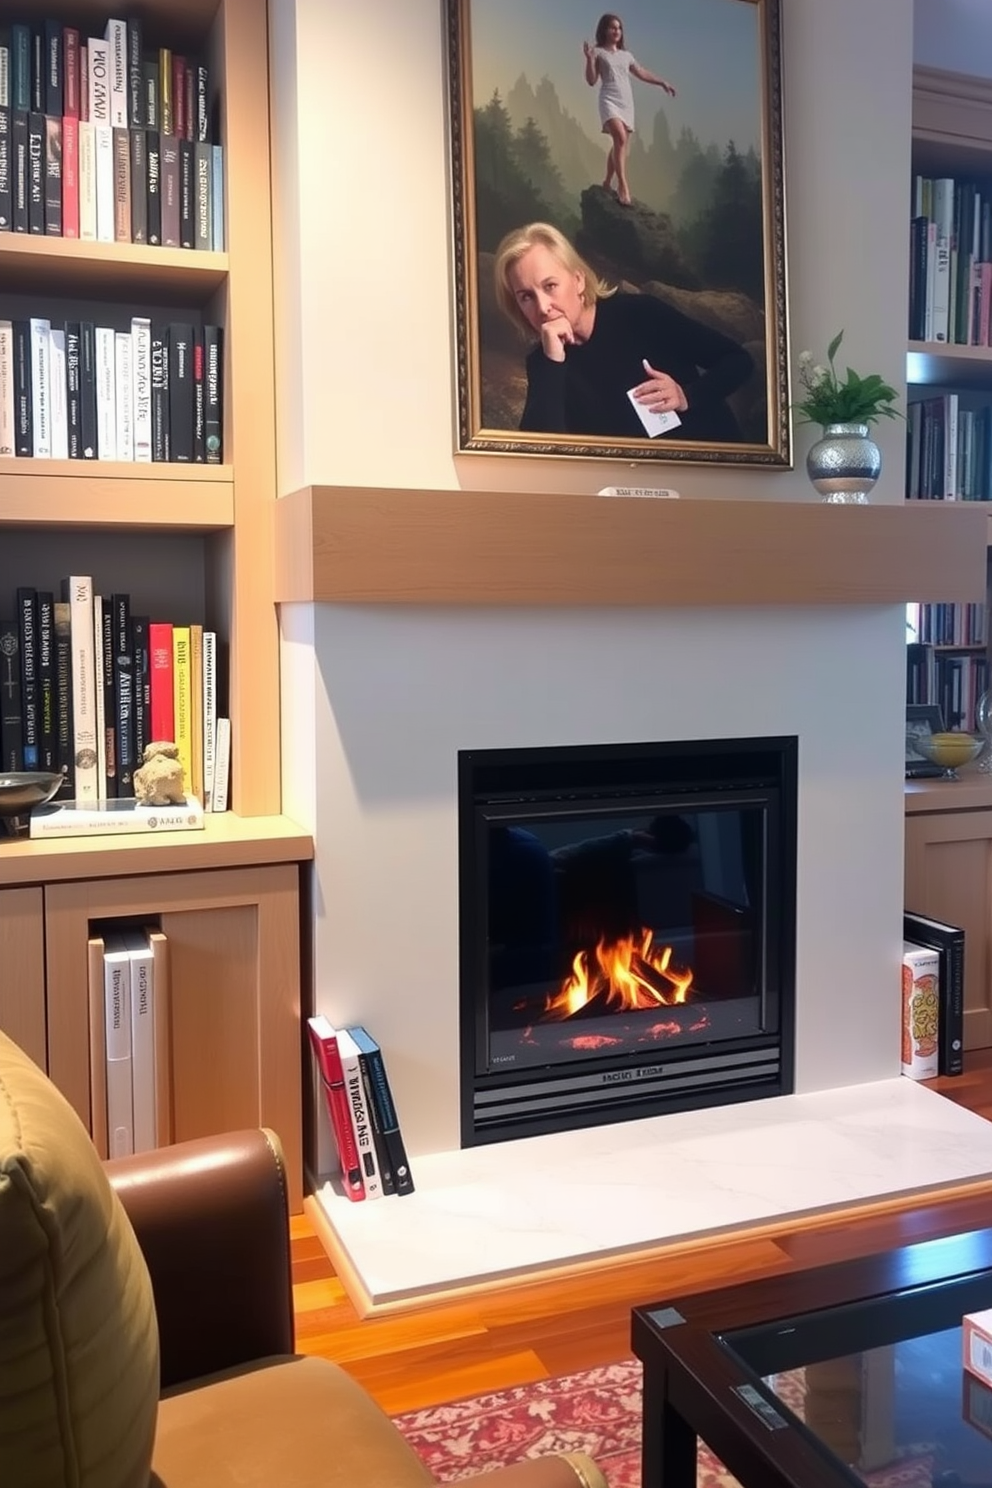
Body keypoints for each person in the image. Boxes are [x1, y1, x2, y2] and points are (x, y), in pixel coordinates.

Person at [492, 221, 754, 442]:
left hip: (713, 475)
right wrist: (552, 364)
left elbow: (738, 361)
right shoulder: (545, 362)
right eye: (526, 296)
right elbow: (540, 456)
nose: (543, 307)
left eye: (550, 286)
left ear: (578, 280)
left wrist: (687, 396)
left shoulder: (639, 314)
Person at [583, 13, 676, 207]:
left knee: (619, 143)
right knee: (621, 138)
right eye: (612, 27)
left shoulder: (626, 56)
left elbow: (641, 73)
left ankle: (607, 181)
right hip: (608, 100)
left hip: (626, 102)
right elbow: (591, 81)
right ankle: (623, 186)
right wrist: (589, 60)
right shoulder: (598, 52)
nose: (616, 31)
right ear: (604, 30)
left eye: (619, 28)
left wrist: (662, 82)